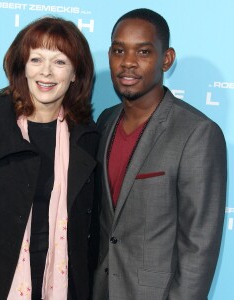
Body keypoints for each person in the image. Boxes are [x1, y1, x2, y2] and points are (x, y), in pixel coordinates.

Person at [0, 16, 99, 300]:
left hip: (63, 286)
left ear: (76, 73)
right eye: (36, 59)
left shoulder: (87, 137)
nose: (46, 73)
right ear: (22, 66)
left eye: (60, 62)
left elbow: (91, 232)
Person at [92, 8, 227, 300]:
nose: (127, 62)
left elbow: (199, 246)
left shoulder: (197, 133)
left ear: (166, 59)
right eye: (118, 50)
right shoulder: (104, 121)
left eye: (142, 52)